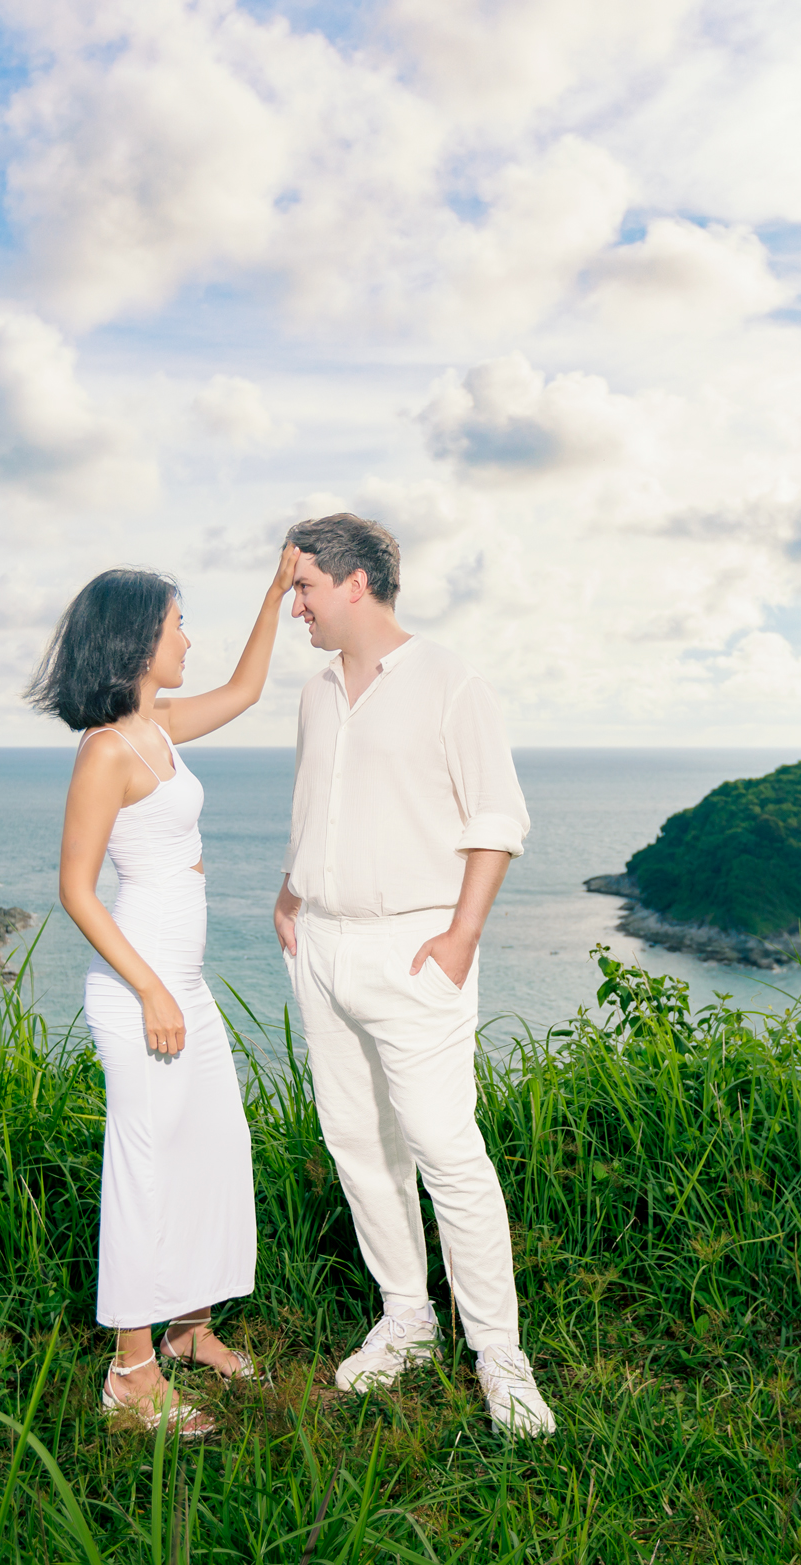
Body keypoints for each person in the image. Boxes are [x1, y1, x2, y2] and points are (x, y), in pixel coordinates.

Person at [272, 512, 557, 1437]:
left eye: (303, 586)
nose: (295, 606)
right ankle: (407, 1321)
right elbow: (321, 804)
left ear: (356, 583)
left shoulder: (450, 683)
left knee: (445, 1151)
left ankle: (501, 1359)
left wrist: (464, 935)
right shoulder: (316, 693)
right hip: (321, 944)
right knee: (358, 1143)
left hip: (416, 949)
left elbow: (497, 818)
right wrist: (290, 892)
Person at [28, 545, 300, 1436]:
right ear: (140, 638)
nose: (189, 637)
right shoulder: (107, 750)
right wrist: (147, 989)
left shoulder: (160, 728)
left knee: (213, 1146)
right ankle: (130, 1374)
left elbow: (249, 689)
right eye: (179, 624)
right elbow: (75, 887)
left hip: (181, 983)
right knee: (145, 1168)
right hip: (139, 987)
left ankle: (190, 1332)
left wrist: (273, 593)